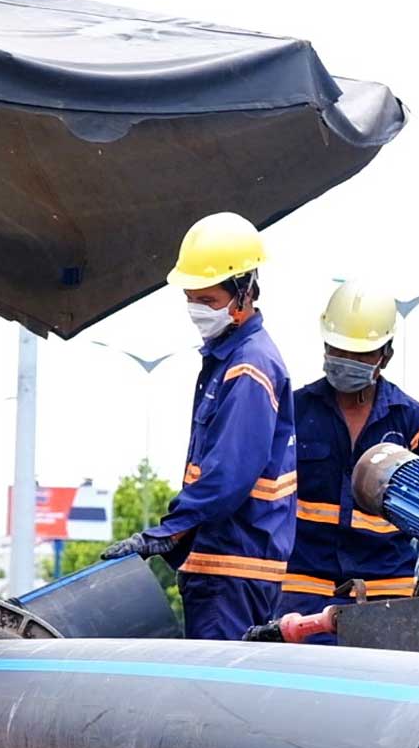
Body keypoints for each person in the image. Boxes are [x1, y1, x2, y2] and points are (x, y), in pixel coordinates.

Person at [102, 212, 296, 639]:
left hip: (231, 566)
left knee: (220, 698)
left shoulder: (249, 366)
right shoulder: (228, 358)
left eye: (207, 301)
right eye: (191, 299)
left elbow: (228, 474)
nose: (197, 311)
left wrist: (165, 533)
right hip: (225, 563)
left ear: (244, 293)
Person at [279, 281, 419, 639]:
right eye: (339, 350)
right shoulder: (295, 412)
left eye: (360, 354)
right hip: (306, 590)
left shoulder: (410, 421)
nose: (347, 362)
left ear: (386, 355)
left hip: (386, 593)